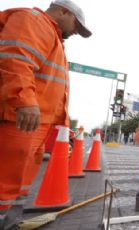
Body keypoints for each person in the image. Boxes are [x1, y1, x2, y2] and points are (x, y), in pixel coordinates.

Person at [0, 0, 91, 228]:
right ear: (63, 11)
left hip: (33, 122)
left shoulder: (52, 36)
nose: (76, 32)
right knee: (5, 181)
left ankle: (10, 222)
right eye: (76, 25)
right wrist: (25, 101)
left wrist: (61, 121)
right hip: (19, 119)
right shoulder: (34, 21)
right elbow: (17, 59)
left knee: (18, 184)